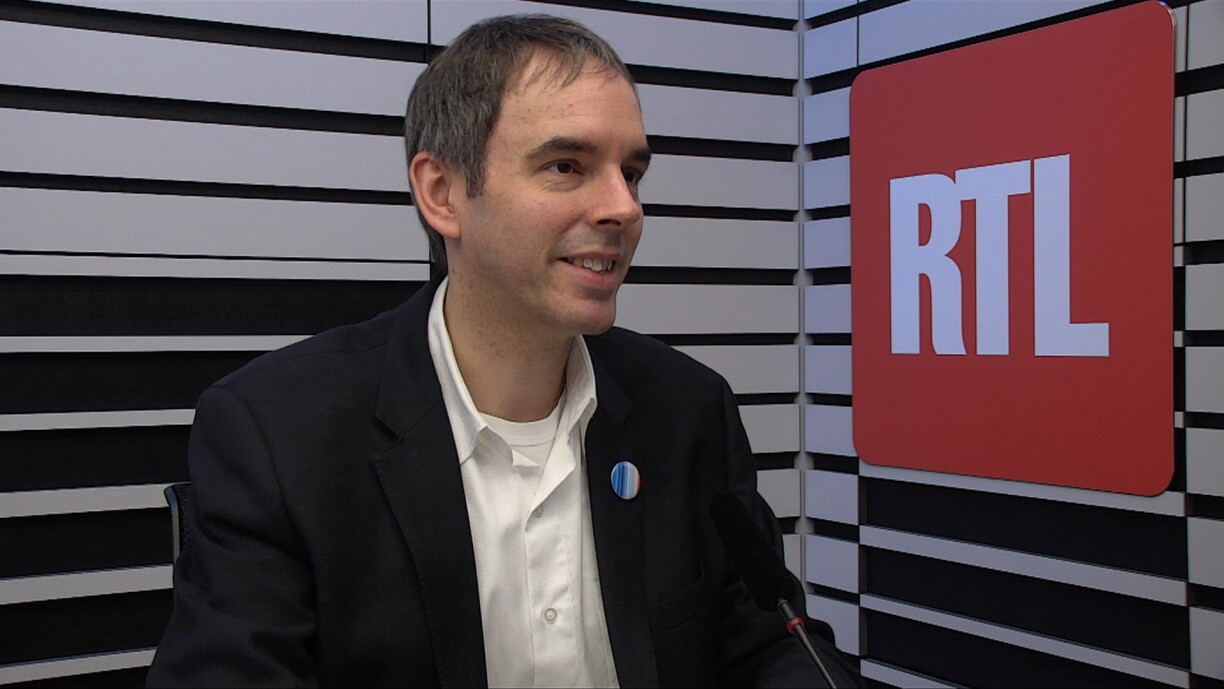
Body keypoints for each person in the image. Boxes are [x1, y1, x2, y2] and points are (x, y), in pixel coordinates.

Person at [147, 14, 861, 688]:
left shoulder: (688, 410)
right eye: (567, 166)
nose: (624, 207)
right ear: (442, 193)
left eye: (632, 173)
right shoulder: (279, 432)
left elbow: (773, 643)